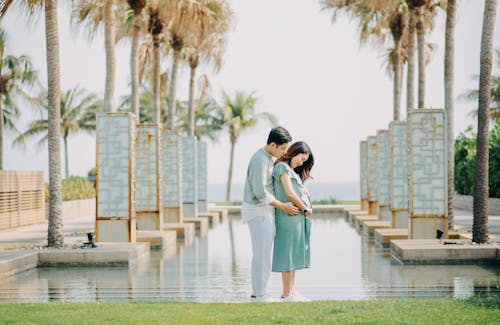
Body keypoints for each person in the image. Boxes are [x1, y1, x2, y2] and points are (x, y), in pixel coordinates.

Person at [241, 127, 300, 302]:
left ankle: (259, 292)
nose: (283, 153)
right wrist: (283, 206)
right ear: (272, 144)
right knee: (262, 255)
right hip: (258, 212)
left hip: (264, 212)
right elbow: (260, 193)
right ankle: (260, 294)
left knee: (263, 254)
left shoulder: (267, 158)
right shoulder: (260, 160)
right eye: (282, 149)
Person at [271, 141, 314, 302]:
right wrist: (305, 208)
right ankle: (286, 294)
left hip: (295, 221)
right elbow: (289, 193)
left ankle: (292, 291)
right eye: (301, 159)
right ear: (294, 152)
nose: (301, 163)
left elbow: (295, 190)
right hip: (287, 219)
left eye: (304, 161)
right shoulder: (282, 167)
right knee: (288, 256)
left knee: (294, 256)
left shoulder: (291, 171)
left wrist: (302, 189)